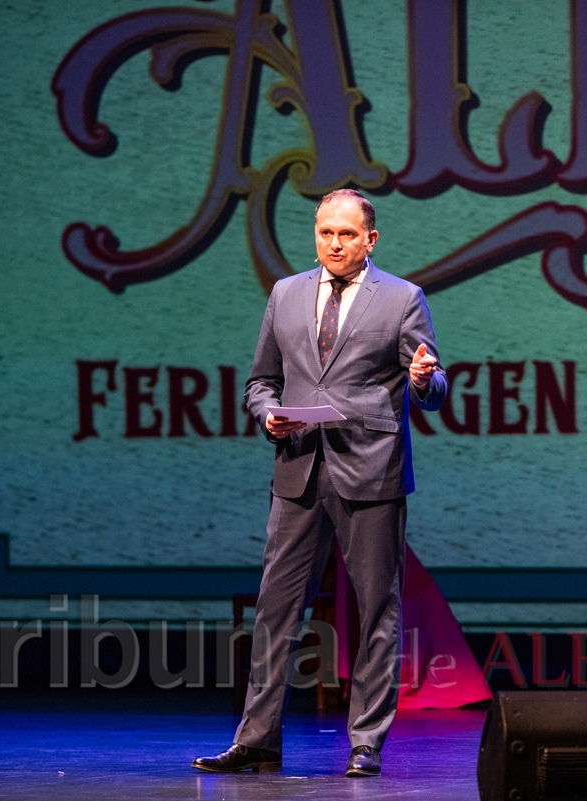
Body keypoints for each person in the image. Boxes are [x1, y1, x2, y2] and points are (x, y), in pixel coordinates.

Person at [192, 189, 447, 777]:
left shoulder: (403, 299)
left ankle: (365, 742)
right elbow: (260, 382)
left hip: (372, 472)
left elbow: (432, 392)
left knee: (375, 610)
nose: (334, 244)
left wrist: (423, 377)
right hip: (299, 468)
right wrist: (268, 413)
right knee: (275, 610)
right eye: (326, 233)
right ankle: (256, 740)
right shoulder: (286, 294)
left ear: (370, 241)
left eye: (347, 235)